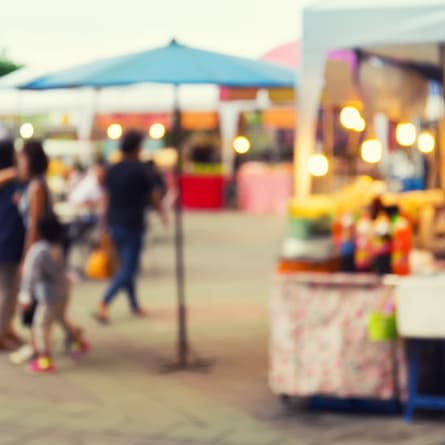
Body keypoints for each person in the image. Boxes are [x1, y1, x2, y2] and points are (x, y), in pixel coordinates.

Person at [95, 130, 168, 323]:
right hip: (133, 224)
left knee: (127, 266)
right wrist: (163, 215)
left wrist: (103, 223)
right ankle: (104, 301)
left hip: (114, 222)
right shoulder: (142, 170)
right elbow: (153, 196)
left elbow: (106, 199)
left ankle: (134, 305)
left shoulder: (113, 169)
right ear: (138, 148)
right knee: (129, 268)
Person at [19, 216, 89, 373]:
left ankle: (44, 358)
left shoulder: (38, 251)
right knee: (60, 318)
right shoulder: (59, 246)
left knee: (41, 325)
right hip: (63, 291)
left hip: (49, 295)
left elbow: (31, 276)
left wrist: (26, 296)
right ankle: (79, 341)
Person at [10, 140, 54, 364]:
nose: (19, 162)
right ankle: (39, 344)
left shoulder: (36, 186)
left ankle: (40, 348)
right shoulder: (36, 184)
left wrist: (26, 258)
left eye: (22, 157)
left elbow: (33, 225)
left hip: (37, 250)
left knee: (35, 298)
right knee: (41, 298)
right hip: (41, 249)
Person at [0, 140, 25, 350]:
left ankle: (7, 328)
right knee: (9, 291)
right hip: (8, 241)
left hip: (7, 240)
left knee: (8, 290)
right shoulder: (14, 178)